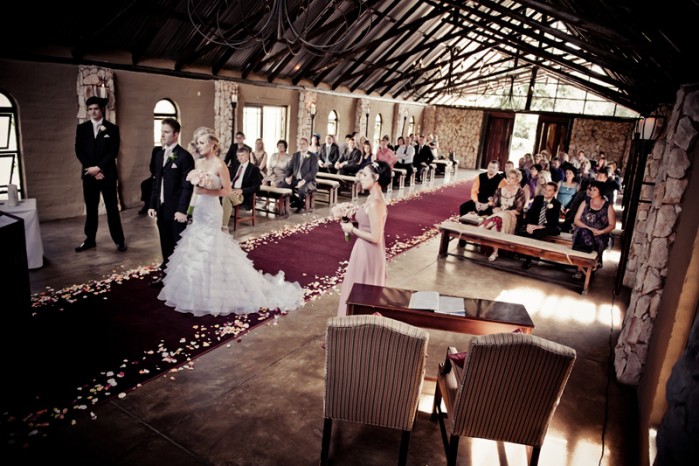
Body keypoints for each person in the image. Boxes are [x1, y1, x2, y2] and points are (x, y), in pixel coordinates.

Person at [158, 130, 304, 316]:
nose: (199, 146)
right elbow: (193, 189)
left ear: (212, 144)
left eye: (202, 143)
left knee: (211, 245)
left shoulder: (220, 165)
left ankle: (217, 291)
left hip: (212, 209)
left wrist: (207, 191)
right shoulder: (198, 163)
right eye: (198, 143)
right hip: (200, 208)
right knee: (194, 243)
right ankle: (194, 290)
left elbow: (227, 191)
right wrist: (189, 208)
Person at [337, 161, 392, 316]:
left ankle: (359, 326)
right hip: (363, 249)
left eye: (365, 174)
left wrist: (352, 229)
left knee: (363, 293)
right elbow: (369, 224)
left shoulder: (376, 203)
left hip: (369, 253)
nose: (360, 177)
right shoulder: (371, 198)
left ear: (376, 177)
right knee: (356, 291)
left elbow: (376, 237)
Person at [74, 96, 127, 252]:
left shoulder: (112, 129)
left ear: (102, 109)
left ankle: (119, 240)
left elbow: (113, 152)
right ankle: (90, 240)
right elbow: (79, 151)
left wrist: (99, 168)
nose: (92, 112)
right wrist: (92, 169)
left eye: (95, 109)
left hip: (107, 175)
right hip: (89, 175)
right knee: (91, 209)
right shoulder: (82, 128)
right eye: (90, 109)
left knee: (112, 209)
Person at [147, 118, 195, 287]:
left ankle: (182, 281)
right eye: (162, 132)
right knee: (165, 244)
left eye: (166, 132)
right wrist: (152, 204)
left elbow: (187, 186)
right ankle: (167, 277)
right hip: (161, 208)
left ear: (176, 134)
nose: (162, 135)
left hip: (176, 211)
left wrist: (182, 210)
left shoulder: (184, 157)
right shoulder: (159, 155)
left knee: (178, 246)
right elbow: (156, 182)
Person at [478, 169, 526, 262]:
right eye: (508, 177)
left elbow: (518, 210)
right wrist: (496, 209)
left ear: (517, 180)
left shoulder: (520, 192)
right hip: (498, 216)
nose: (509, 179)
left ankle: (482, 227)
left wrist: (504, 212)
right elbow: (494, 206)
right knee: (496, 226)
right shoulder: (499, 190)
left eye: (512, 178)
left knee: (501, 216)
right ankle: (495, 252)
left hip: (511, 216)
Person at [572, 180, 616, 277]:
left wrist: (601, 231)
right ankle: (583, 268)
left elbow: (612, 225)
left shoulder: (608, 207)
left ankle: (586, 267)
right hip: (582, 231)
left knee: (597, 241)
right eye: (590, 189)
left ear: (601, 192)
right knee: (584, 235)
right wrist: (588, 228)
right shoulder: (585, 203)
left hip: (599, 235)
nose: (591, 192)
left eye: (594, 190)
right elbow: (576, 220)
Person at [518, 182, 562, 269]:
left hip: (547, 226)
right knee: (529, 231)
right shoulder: (538, 199)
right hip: (535, 225)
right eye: (545, 189)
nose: (546, 191)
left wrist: (539, 227)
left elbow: (554, 222)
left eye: (549, 190)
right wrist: (529, 225)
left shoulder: (557, 204)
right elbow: (530, 213)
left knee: (536, 232)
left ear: (554, 193)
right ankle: (528, 256)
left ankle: (528, 259)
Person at [221, 145, 262, 232]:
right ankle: (216, 223)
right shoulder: (235, 166)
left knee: (226, 196)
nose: (240, 157)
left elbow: (256, 187)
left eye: (242, 155)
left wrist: (242, 190)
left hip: (243, 195)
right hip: (231, 190)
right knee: (214, 193)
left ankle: (224, 226)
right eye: (238, 155)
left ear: (247, 155)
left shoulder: (254, 169)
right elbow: (229, 179)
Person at [282, 137, 318, 213]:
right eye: (300, 144)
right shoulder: (295, 155)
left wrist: (304, 180)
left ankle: (299, 204)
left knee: (301, 189)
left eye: (303, 144)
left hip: (308, 181)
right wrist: (287, 177)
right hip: (295, 179)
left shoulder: (313, 157)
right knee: (283, 186)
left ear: (307, 145)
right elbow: (289, 168)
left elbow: (313, 172)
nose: (301, 146)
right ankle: (298, 202)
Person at [138, 146, 159, 214]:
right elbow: (152, 167)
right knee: (145, 184)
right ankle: (147, 204)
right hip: (155, 176)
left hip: (165, 177)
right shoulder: (156, 151)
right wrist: (155, 175)